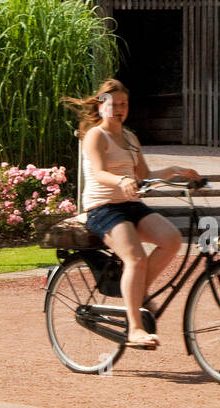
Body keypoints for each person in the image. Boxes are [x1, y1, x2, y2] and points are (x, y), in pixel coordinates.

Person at [62, 79, 201, 350]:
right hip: (102, 208)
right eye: (114, 104)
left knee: (171, 239)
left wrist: (175, 171)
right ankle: (135, 329)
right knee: (135, 257)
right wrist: (120, 181)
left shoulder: (129, 137)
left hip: (130, 205)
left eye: (124, 104)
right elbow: (101, 172)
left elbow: (144, 176)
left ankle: (137, 295)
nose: (120, 109)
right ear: (101, 106)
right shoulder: (96, 135)